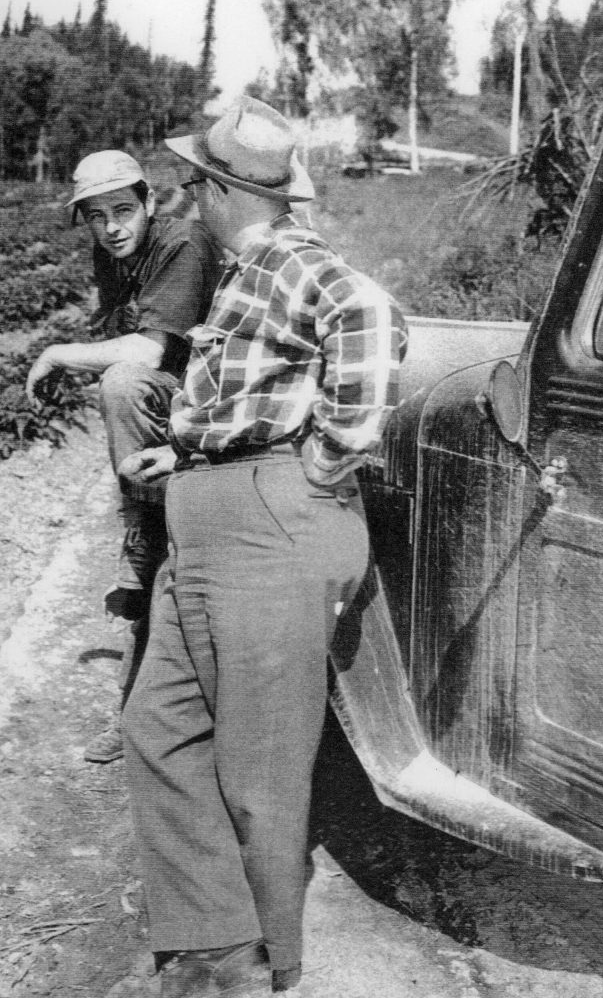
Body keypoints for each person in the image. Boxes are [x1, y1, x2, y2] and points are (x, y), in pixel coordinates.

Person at [116, 96, 408, 997]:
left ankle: (244, 967)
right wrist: (193, 443)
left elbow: (369, 313)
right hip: (214, 512)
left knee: (259, 766)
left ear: (217, 188)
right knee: (157, 727)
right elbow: (259, 392)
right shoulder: (246, 270)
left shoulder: (294, 262)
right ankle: (214, 938)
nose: (185, 197)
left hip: (270, 524)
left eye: (193, 183)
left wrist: (327, 457)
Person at [25, 150, 223, 762]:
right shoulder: (113, 255)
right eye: (96, 216)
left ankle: (141, 524)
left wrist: (59, 353)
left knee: (122, 382)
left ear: (148, 202)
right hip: (181, 393)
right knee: (161, 576)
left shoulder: (183, 241)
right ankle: (145, 529)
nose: (111, 226)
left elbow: (147, 349)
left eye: (122, 210)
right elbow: (123, 332)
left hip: (223, 403)